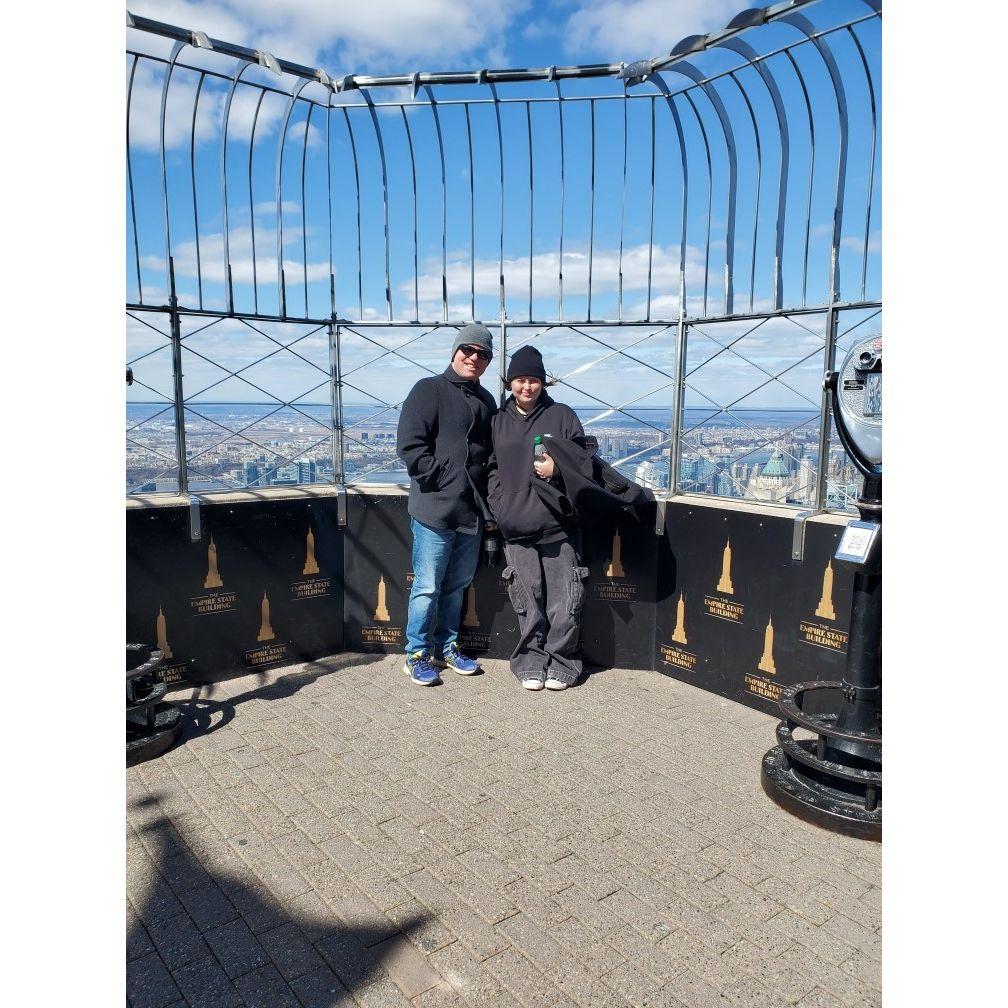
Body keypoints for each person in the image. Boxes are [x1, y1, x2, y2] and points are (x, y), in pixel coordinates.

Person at [397, 323, 498, 686]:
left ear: (488, 362)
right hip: (435, 509)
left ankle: (448, 646)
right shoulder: (428, 390)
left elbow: (490, 454)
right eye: (468, 350)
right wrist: (441, 478)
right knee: (427, 586)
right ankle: (417, 654)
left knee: (456, 586)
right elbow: (410, 446)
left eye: (483, 354)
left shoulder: (487, 400)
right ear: (455, 352)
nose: (474, 358)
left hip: (471, 512)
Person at [487, 345, 589, 692]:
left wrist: (558, 468)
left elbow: (586, 460)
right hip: (515, 524)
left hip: (558, 524)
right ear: (510, 383)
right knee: (527, 598)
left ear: (543, 383)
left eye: (533, 380)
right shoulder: (497, 420)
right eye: (520, 380)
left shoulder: (562, 415)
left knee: (564, 599)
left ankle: (563, 661)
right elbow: (489, 466)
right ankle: (530, 659)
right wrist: (499, 504)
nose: (526, 387)